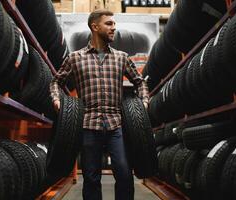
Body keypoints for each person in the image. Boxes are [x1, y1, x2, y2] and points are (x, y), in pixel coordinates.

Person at [50, 9, 149, 200]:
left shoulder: (121, 57)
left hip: (116, 124)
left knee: (124, 173)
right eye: (109, 24)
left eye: (114, 24)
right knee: (91, 177)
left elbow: (140, 81)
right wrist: (56, 99)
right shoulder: (75, 58)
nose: (114, 28)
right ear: (95, 27)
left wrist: (143, 102)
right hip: (88, 125)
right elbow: (56, 81)